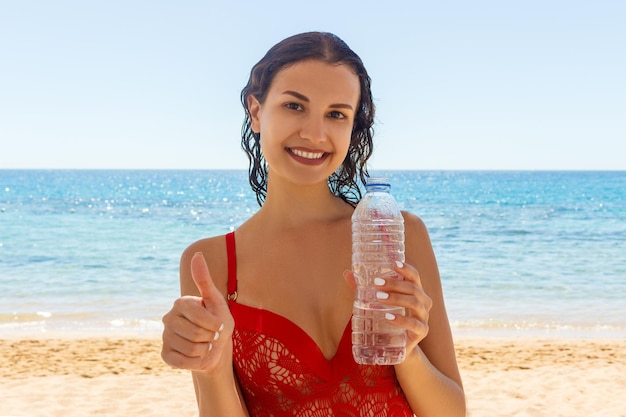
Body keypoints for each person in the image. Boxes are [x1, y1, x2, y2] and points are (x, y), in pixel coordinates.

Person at [161, 31, 465, 417]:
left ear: (352, 128)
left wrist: (406, 351)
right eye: (294, 106)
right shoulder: (212, 263)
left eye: (336, 114)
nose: (314, 134)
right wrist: (213, 367)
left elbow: (452, 412)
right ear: (256, 112)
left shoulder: (397, 235)